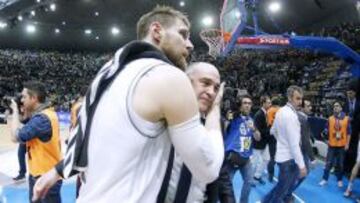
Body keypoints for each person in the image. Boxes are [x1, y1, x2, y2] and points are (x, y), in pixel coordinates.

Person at [32, 6, 224, 203]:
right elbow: (208, 168)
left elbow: (96, 137)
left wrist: (58, 170)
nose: (190, 44)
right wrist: (215, 112)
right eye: (183, 34)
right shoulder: (169, 77)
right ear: (157, 31)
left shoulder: (110, 74)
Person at [164, 62, 222, 202]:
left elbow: (220, 175)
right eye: (205, 83)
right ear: (185, 82)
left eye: (216, 88)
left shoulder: (215, 127)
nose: (211, 92)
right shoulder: (160, 117)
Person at [8, 81, 62, 203]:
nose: (22, 100)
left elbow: (15, 137)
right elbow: (25, 121)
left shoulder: (41, 119)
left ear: (34, 98)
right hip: (42, 173)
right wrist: (23, 110)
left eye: (24, 97)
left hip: (46, 177)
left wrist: (15, 111)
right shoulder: (45, 114)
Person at [263, 86, 307, 203]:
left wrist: (282, 141)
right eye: (297, 99)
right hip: (290, 159)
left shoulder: (281, 111)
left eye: (301, 99)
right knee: (281, 191)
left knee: (281, 188)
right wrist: (302, 165)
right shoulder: (291, 116)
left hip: (282, 157)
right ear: (289, 98)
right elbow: (294, 145)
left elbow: (273, 131)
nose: (300, 102)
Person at [221, 95, 260, 203]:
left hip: (246, 158)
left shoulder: (251, 120)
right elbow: (224, 127)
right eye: (245, 103)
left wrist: (253, 129)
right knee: (225, 184)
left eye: (249, 103)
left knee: (249, 181)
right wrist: (228, 120)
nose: (247, 105)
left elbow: (258, 137)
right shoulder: (234, 117)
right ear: (240, 106)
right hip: (232, 156)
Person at [319, 101, 351, 187]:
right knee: (328, 163)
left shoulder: (346, 119)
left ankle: (339, 180)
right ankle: (325, 179)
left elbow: (348, 133)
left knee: (340, 164)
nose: (335, 107)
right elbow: (325, 130)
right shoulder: (330, 119)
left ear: (341, 108)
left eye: (337, 106)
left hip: (341, 145)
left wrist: (347, 144)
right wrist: (325, 137)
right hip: (332, 145)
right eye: (334, 106)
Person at [252, 95, 271, 185]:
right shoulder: (259, 114)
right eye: (268, 102)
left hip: (264, 141)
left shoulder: (265, 113)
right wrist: (269, 130)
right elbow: (257, 129)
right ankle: (249, 178)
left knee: (266, 159)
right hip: (258, 142)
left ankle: (257, 175)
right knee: (254, 162)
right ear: (263, 103)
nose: (270, 104)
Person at [266, 96, 281, 182]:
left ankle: (270, 175)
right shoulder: (280, 111)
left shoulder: (269, 111)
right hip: (279, 134)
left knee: (272, 157)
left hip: (271, 134)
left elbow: (267, 122)